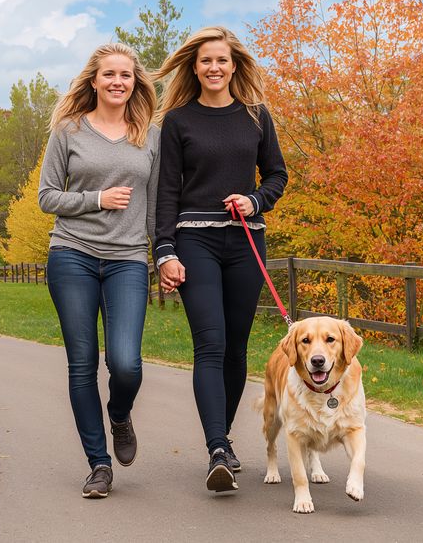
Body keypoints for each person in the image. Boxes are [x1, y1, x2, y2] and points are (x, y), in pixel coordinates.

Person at [153, 26, 287, 493]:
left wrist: (255, 200)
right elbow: (166, 190)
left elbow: (277, 175)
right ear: (195, 67)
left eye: (222, 61)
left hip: (246, 241)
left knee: (236, 348)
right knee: (209, 343)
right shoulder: (178, 121)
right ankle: (216, 447)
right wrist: (164, 250)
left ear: (234, 66)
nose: (214, 68)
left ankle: (223, 442)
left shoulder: (256, 116)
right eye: (206, 61)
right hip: (195, 241)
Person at [38, 43, 159, 499]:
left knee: (126, 364)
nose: (117, 82)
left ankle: (120, 414)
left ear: (135, 83)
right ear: (94, 80)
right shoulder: (68, 130)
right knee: (82, 364)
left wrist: (162, 254)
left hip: (128, 258)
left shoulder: (150, 134)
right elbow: (47, 196)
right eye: (109, 74)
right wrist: (96, 200)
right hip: (72, 254)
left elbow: (153, 205)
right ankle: (99, 464)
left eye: (125, 75)